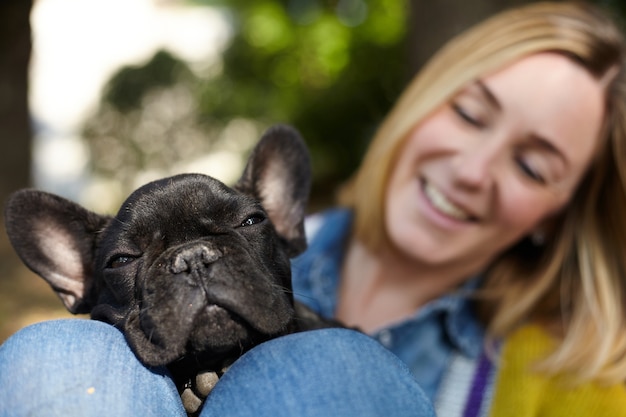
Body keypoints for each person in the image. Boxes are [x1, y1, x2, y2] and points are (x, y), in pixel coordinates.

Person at [1, 2, 626, 416]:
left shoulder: (581, 380)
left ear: (558, 212)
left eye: (532, 165)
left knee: (328, 367)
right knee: (61, 355)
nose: (472, 170)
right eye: (469, 113)